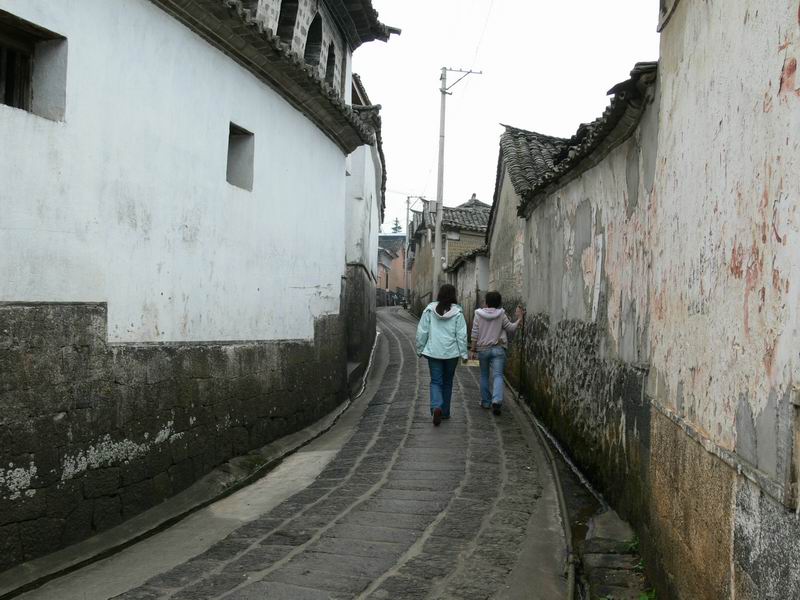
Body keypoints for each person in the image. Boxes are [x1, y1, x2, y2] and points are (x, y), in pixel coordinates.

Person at [416, 284, 468, 426]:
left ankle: (436, 406)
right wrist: (464, 354)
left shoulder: (429, 310)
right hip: (451, 354)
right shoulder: (458, 313)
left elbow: (422, 331)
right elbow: (461, 335)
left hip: (434, 352)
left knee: (436, 381)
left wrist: (419, 349)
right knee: (448, 382)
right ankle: (444, 412)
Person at [469, 291, 524, 415]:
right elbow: (510, 328)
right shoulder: (501, 314)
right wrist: (519, 319)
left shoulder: (478, 314)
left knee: (484, 375)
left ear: (486, 302)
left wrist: (472, 350)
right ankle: (497, 400)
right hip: (498, 348)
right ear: (499, 303)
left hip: (483, 349)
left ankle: (486, 402)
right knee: (498, 375)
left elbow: (474, 333)